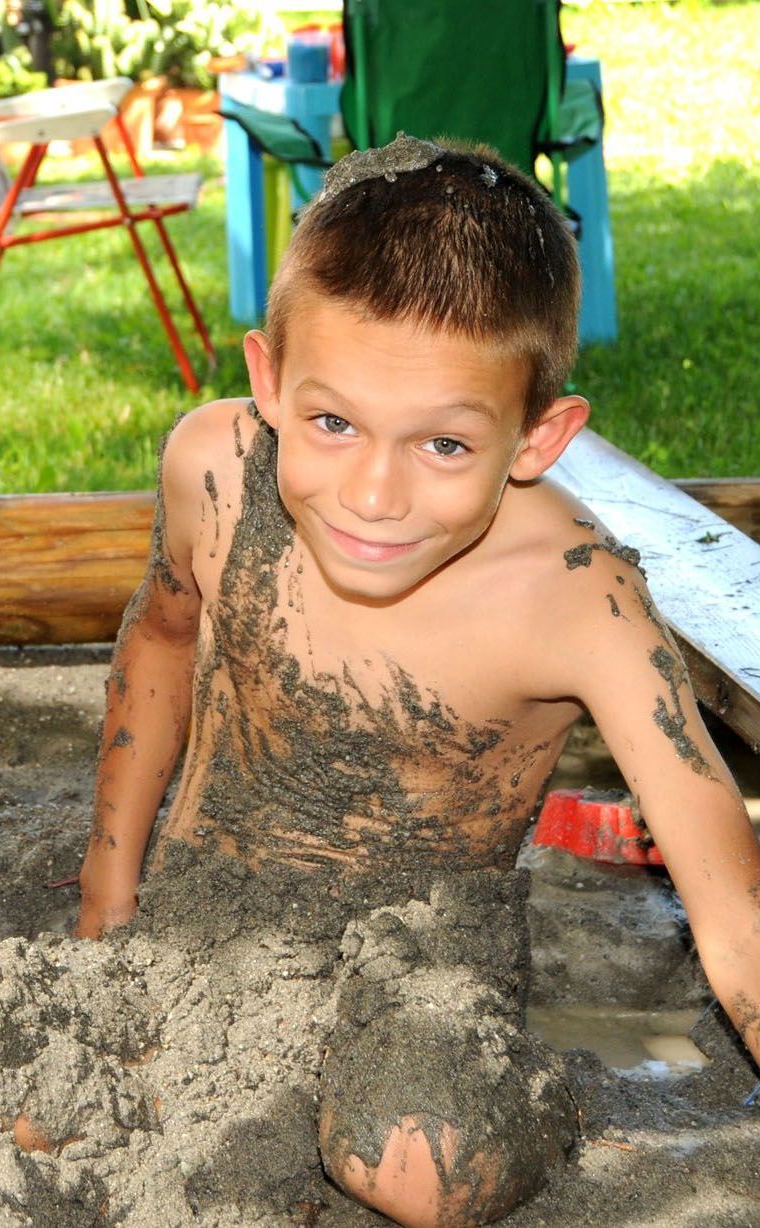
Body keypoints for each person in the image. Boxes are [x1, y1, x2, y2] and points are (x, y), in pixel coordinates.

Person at [70, 134, 760, 1226]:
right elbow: (157, 641)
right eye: (330, 422)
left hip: (417, 975)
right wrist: (107, 901)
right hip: (192, 925)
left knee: (414, 1165)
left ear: (538, 436)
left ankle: (546, 1104)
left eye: (442, 445)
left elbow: (729, 906)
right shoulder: (211, 465)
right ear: (266, 380)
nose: (371, 493)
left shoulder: (579, 594)